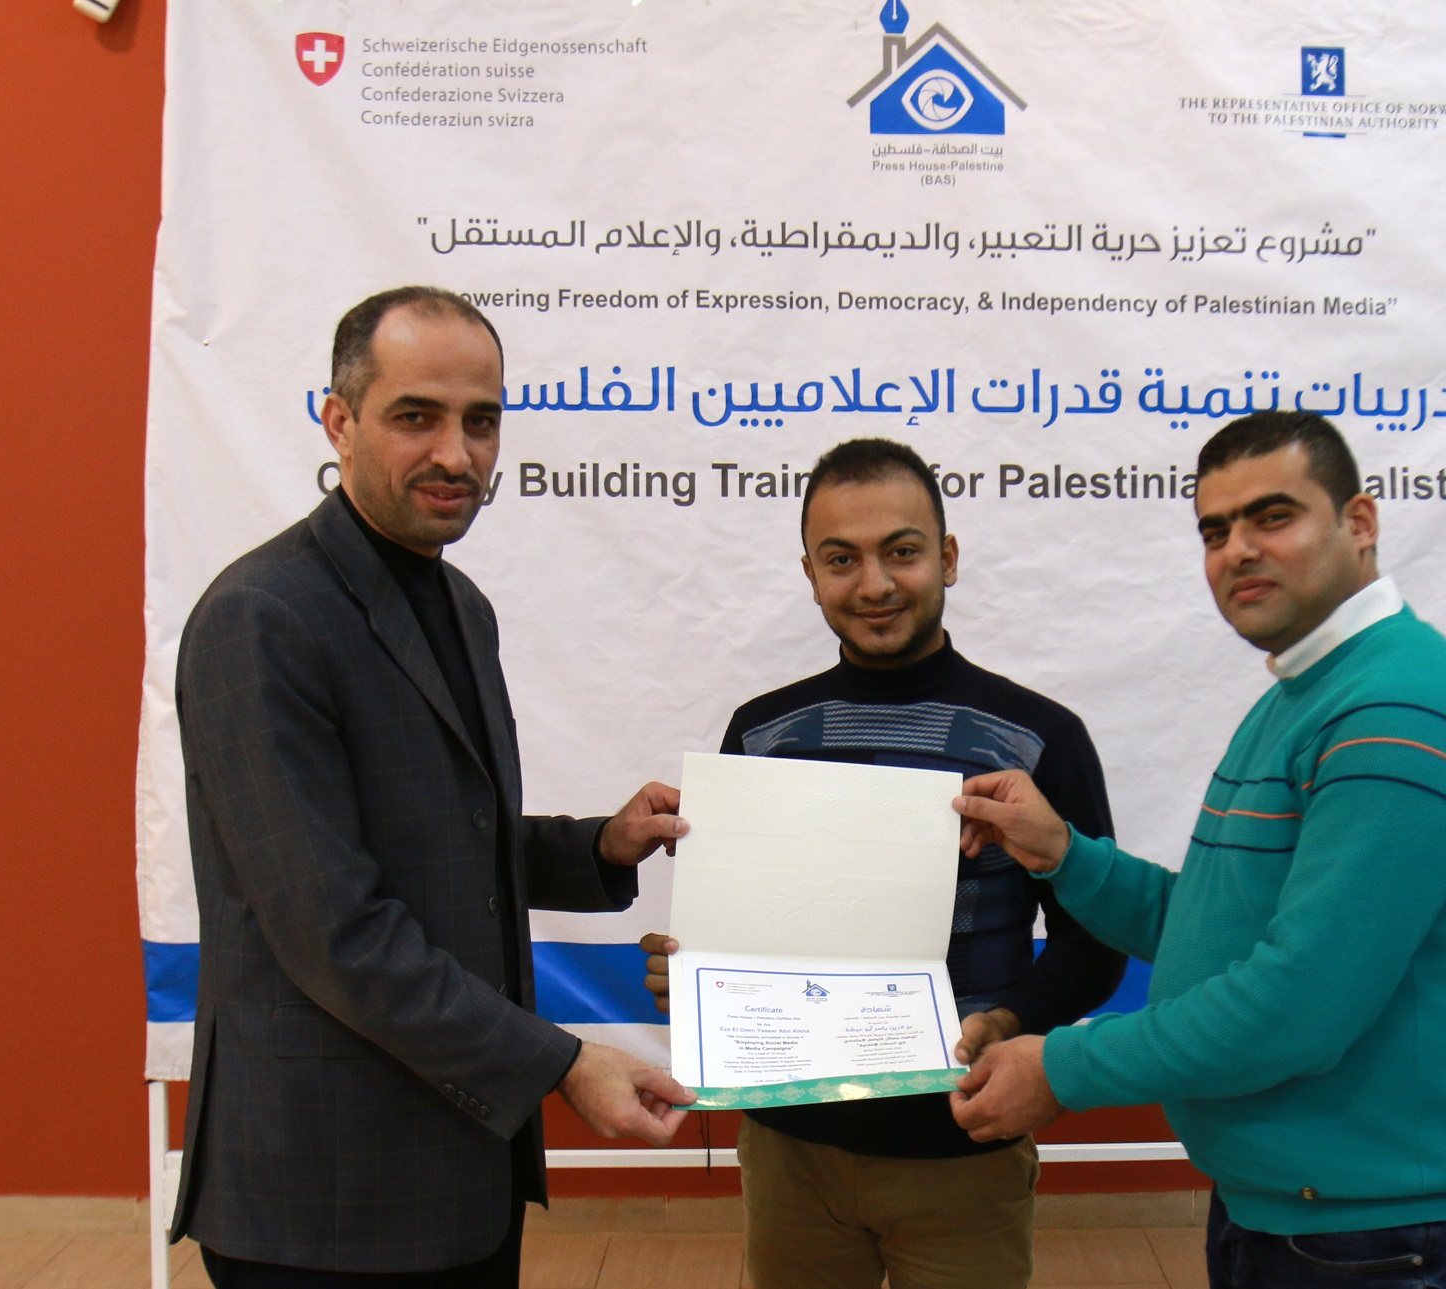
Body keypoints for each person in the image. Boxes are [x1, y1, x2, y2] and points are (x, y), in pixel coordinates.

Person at [950, 410, 1446, 1289]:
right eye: (1215, 530)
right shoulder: (1307, 693)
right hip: (1305, 1203)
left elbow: (1298, 1005)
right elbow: (1213, 924)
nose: (1238, 550)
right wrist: (1062, 855)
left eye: (1273, 516)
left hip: (1382, 1227)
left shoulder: (1397, 711)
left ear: (1359, 521)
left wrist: (1064, 1066)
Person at [169, 286, 693, 1286]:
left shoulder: (459, 602)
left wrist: (597, 846)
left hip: (458, 1173)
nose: (456, 453)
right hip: (321, 1199)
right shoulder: (260, 617)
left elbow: (441, 838)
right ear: (339, 421)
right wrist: (563, 1063)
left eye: (480, 421)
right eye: (417, 416)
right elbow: (336, 930)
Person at [641, 438, 1125, 1289]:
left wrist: (1010, 1021)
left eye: (901, 551)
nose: (874, 583)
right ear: (810, 573)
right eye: (842, 559)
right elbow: (746, 932)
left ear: (948, 557)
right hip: (791, 1146)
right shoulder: (763, 734)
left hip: (963, 1142)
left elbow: (1096, 941)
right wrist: (697, 976)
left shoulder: (1039, 737)